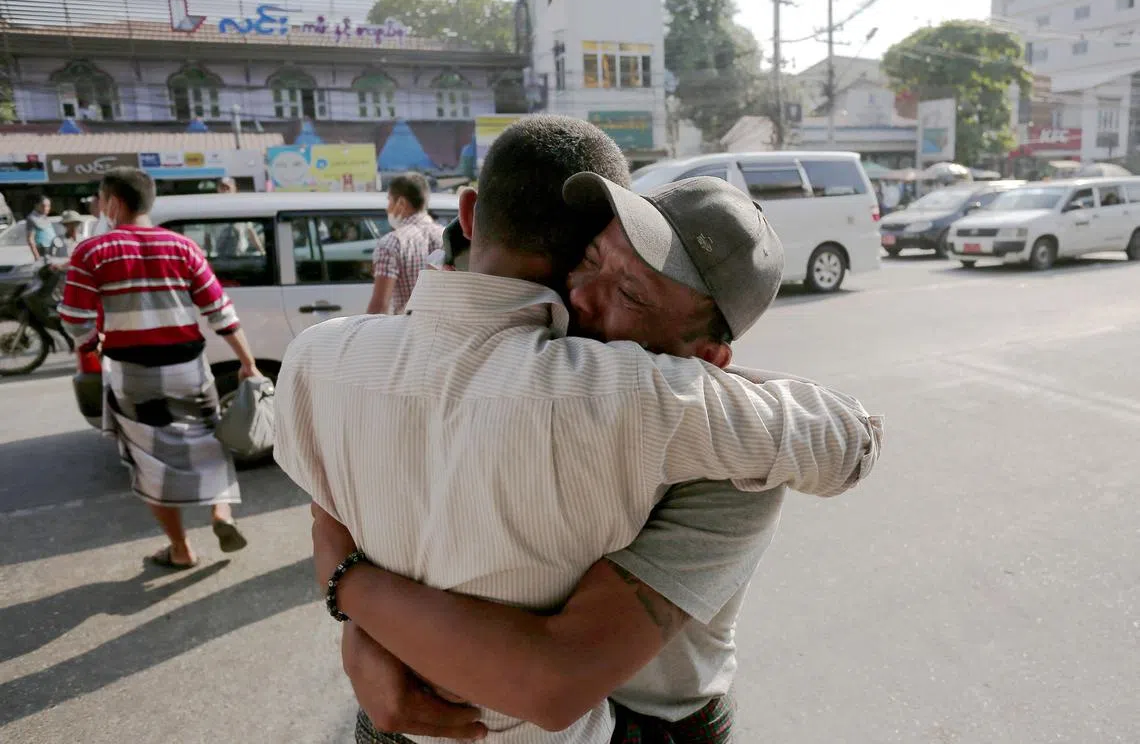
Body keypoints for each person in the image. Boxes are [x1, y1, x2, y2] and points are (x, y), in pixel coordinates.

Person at [275, 116, 882, 744]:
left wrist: (352, 592)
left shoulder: (725, 459)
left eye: (632, 294)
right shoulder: (557, 370)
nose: (579, 294)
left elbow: (552, 679)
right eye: (587, 258)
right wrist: (359, 627)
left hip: (653, 721)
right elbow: (341, 511)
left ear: (707, 363)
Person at [59, 167, 261, 570]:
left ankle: (181, 549)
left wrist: (93, 346)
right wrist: (248, 363)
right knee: (209, 440)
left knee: (149, 460)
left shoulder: (93, 252)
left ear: (113, 202)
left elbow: (74, 315)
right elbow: (221, 313)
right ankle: (222, 513)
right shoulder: (183, 247)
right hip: (189, 368)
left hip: (134, 375)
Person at [366, 173, 444, 315]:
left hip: (407, 331)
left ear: (401, 203)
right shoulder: (448, 237)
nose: (387, 208)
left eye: (389, 200)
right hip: (446, 331)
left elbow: (379, 307)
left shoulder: (392, 243)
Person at [25, 195, 55, 261]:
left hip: (52, 249)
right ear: (36, 205)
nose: (46, 208)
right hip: (43, 251)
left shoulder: (44, 217)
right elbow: (30, 239)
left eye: (48, 206)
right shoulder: (32, 218)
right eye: (43, 205)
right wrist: (37, 256)